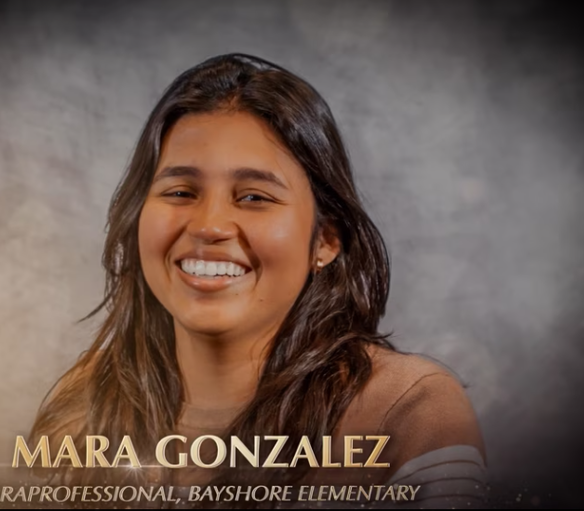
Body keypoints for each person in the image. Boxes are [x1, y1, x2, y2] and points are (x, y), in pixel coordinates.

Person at [30, 53, 486, 507]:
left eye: (254, 197)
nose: (209, 226)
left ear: (325, 240)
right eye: (180, 192)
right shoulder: (82, 414)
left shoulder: (409, 410)